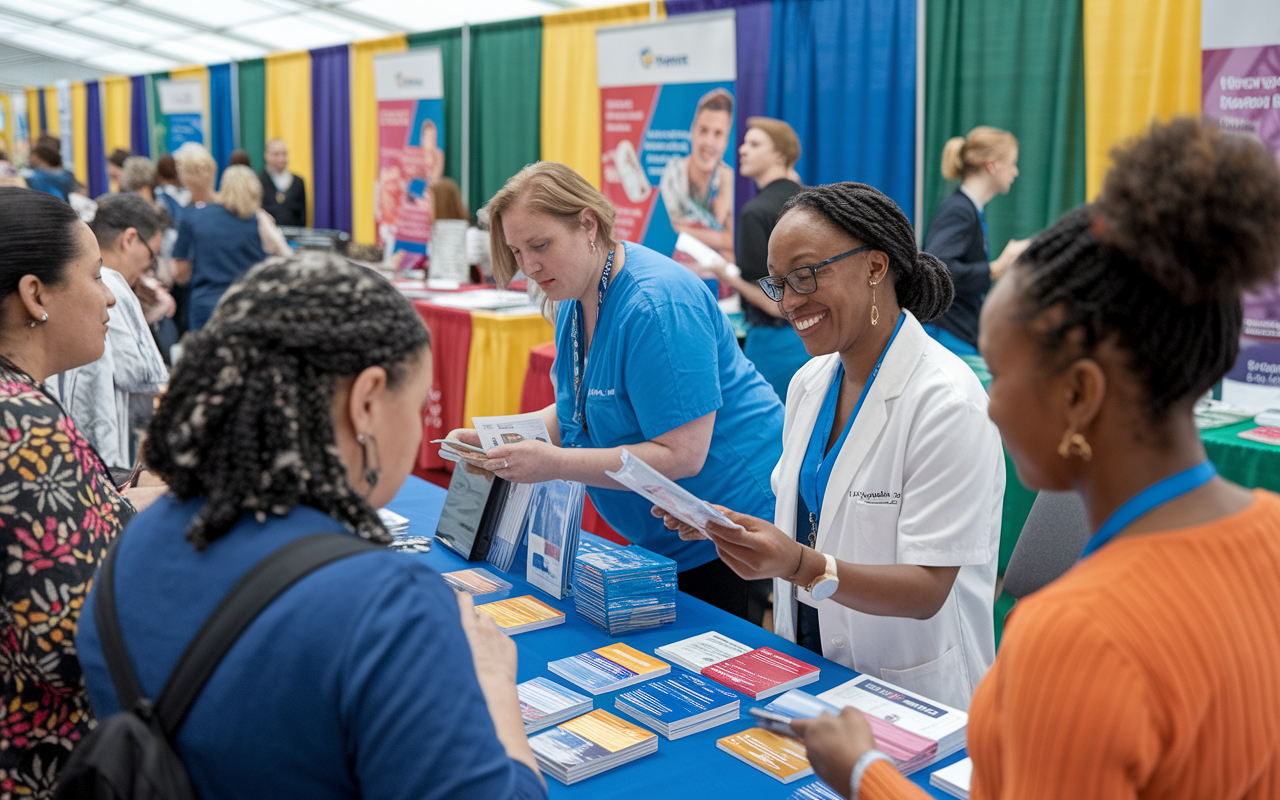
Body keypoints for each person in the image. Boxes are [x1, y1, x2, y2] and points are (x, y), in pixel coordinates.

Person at [795, 117, 1280, 800]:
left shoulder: (1074, 637)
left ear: (1079, 393)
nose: (990, 409)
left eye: (1002, 376)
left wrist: (862, 772)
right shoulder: (1268, 531)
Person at [75, 253, 547, 800]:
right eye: (416, 408)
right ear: (367, 401)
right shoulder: (387, 607)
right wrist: (494, 691)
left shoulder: (130, 540)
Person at [654, 182, 1003, 710]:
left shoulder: (947, 402)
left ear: (875, 267)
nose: (790, 301)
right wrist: (729, 529)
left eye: (806, 274)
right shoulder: (809, 384)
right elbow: (810, 520)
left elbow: (928, 588)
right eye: (778, 284)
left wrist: (797, 565)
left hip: (912, 689)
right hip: (810, 670)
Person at [451, 162, 785, 619]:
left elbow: (682, 455)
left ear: (588, 224)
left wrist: (555, 464)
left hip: (728, 524)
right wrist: (500, 439)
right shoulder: (575, 293)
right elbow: (579, 409)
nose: (528, 266)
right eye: (516, 250)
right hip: (664, 529)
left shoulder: (657, 306)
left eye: (540, 245)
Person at [0, 187, 163, 796]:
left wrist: (135, 491)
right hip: (44, 765)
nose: (110, 298)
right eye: (96, 276)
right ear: (35, 295)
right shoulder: (24, 425)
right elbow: (70, 648)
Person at [47, 192, 169, 472]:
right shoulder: (113, 282)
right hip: (103, 455)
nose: (148, 266)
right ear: (129, 239)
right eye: (151, 255)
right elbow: (145, 377)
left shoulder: (64, 282)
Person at [706, 117, 808, 400]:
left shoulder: (756, 213)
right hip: (819, 341)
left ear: (779, 154)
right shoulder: (811, 201)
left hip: (776, 347)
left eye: (754, 144)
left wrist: (729, 278)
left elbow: (778, 305)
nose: (741, 149)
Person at [922, 126, 1029, 356]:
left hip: (959, 334)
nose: (1015, 171)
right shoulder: (959, 210)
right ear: (992, 165)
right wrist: (996, 268)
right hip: (948, 336)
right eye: (1011, 163)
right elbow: (939, 268)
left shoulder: (970, 210)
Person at [173, 165, 268, 331]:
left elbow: (179, 273)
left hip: (206, 306)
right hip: (249, 305)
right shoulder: (260, 222)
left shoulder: (194, 217)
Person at [659, 88, 736, 258]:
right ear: (692, 131)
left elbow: (734, 241)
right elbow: (676, 228)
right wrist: (724, 238)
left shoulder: (729, 178)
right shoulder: (674, 174)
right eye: (703, 130)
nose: (709, 142)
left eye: (718, 134)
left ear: (726, 141)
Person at [259, 138, 306, 227]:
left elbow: (302, 216)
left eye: (284, 154)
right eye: (276, 154)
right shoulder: (258, 181)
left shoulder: (298, 182)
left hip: (293, 237)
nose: (281, 158)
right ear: (266, 155)